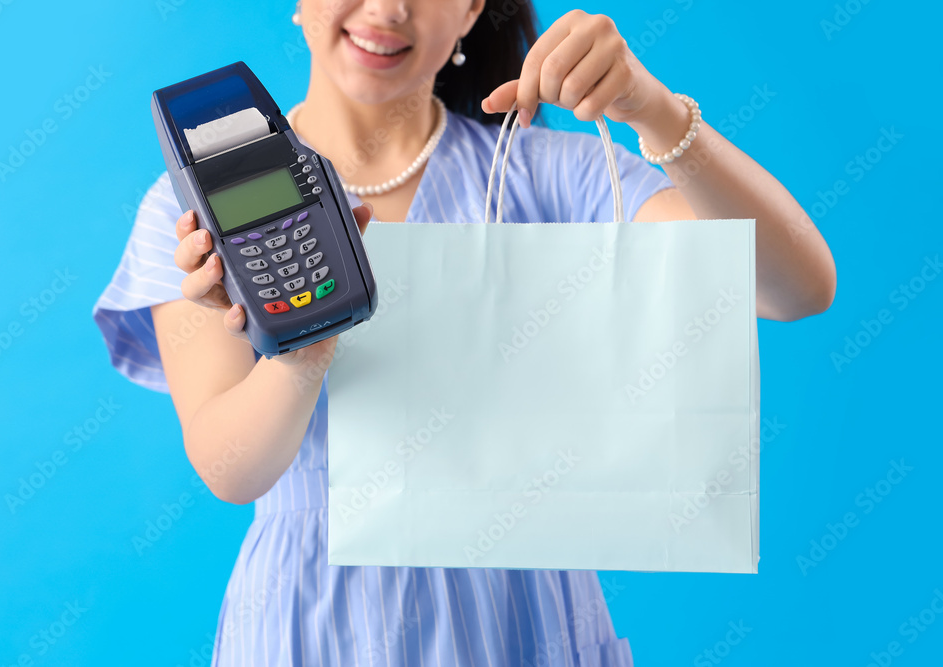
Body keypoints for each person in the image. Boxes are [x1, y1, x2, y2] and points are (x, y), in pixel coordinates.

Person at [93, 0, 835, 664]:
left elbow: (793, 287)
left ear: (473, 8)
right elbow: (232, 468)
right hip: (311, 625)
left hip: (527, 617)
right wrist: (308, 344)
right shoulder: (191, 209)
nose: (388, 8)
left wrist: (654, 111)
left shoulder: (550, 174)